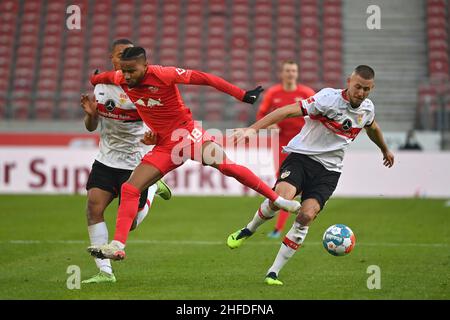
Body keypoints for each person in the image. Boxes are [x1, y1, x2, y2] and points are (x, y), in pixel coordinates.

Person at [86, 46, 302, 261]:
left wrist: (242, 95)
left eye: (131, 71)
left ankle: (277, 200)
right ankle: (117, 246)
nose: (126, 76)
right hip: (164, 145)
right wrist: (94, 78)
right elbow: (100, 77)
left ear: (145, 66)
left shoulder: (163, 74)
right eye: (124, 71)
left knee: (226, 166)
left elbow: (204, 78)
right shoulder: (120, 78)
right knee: (130, 189)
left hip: (186, 135)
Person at [227, 65, 395, 285]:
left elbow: (372, 128)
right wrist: (253, 129)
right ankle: (249, 229)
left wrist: (384, 149)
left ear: (371, 88)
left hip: (329, 171)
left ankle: (273, 272)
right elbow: (286, 111)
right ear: (348, 81)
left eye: (366, 89)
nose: (361, 93)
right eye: (357, 87)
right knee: (282, 198)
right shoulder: (328, 99)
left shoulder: (367, 109)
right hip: (302, 157)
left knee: (306, 216)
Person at [80, 40, 172, 283]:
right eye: (122, 55)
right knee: (93, 208)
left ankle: (152, 187)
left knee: (129, 225)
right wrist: (91, 116)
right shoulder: (101, 86)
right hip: (106, 159)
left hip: (136, 161)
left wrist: (154, 138)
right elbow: (92, 127)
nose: (126, 60)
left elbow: (160, 125)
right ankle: (104, 272)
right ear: (113, 58)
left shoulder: (144, 87)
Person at [256, 61, 315, 239]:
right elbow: (261, 115)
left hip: (305, 145)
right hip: (282, 146)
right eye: (288, 70)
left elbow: (318, 115)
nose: (291, 73)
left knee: (302, 187)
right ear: (282, 74)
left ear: (297, 73)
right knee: (283, 185)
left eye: (293, 70)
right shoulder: (273, 93)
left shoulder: (306, 93)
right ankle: (280, 228)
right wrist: (272, 124)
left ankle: (292, 225)